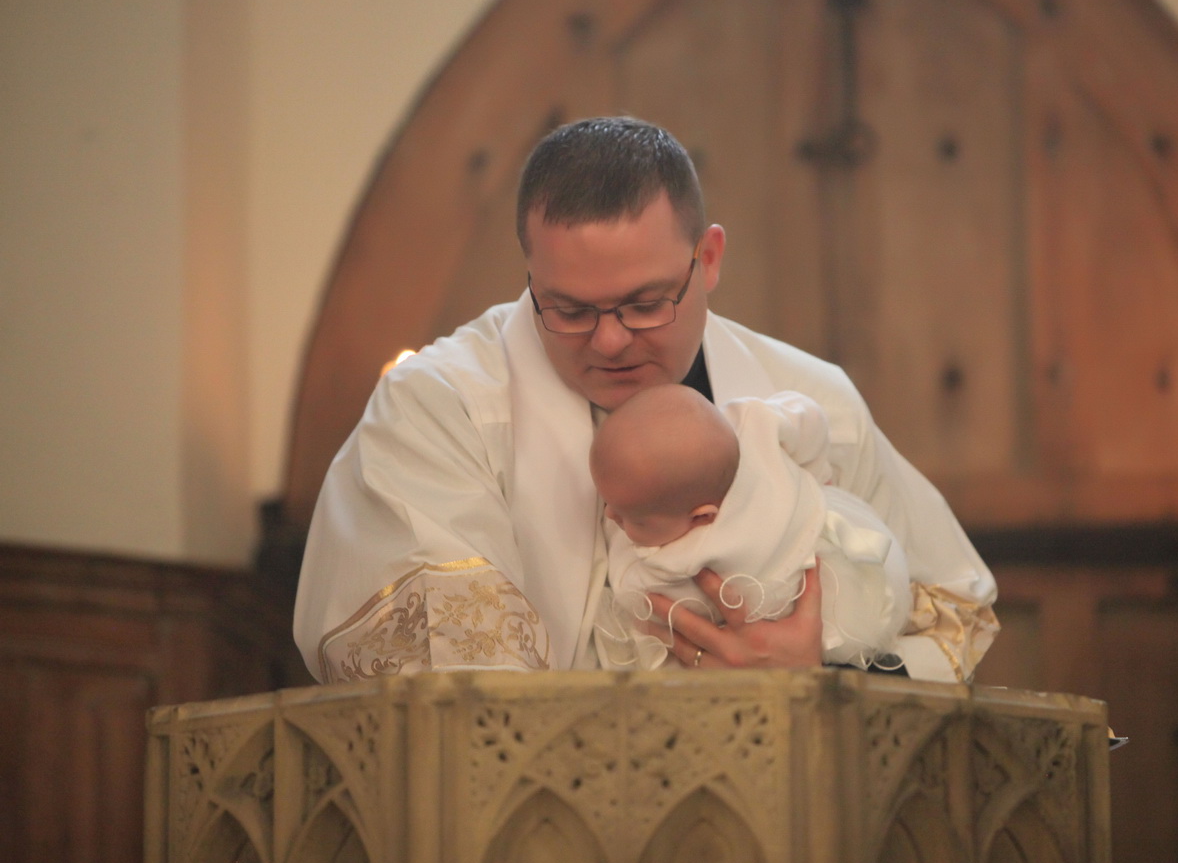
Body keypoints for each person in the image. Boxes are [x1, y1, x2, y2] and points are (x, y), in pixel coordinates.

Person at [293, 116, 998, 683]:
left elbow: (952, 613)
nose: (608, 341)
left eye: (644, 303)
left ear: (709, 259)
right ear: (530, 275)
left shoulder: (814, 401)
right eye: (567, 308)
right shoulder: (438, 409)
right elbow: (449, 686)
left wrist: (822, 670)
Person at [589, 384, 909, 671]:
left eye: (637, 519)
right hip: (858, 536)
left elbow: (636, 597)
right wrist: (813, 473)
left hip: (833, 604)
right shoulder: (750, 423)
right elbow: (808, 418)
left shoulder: (678, 563)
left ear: (701, 518)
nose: (611, 516)